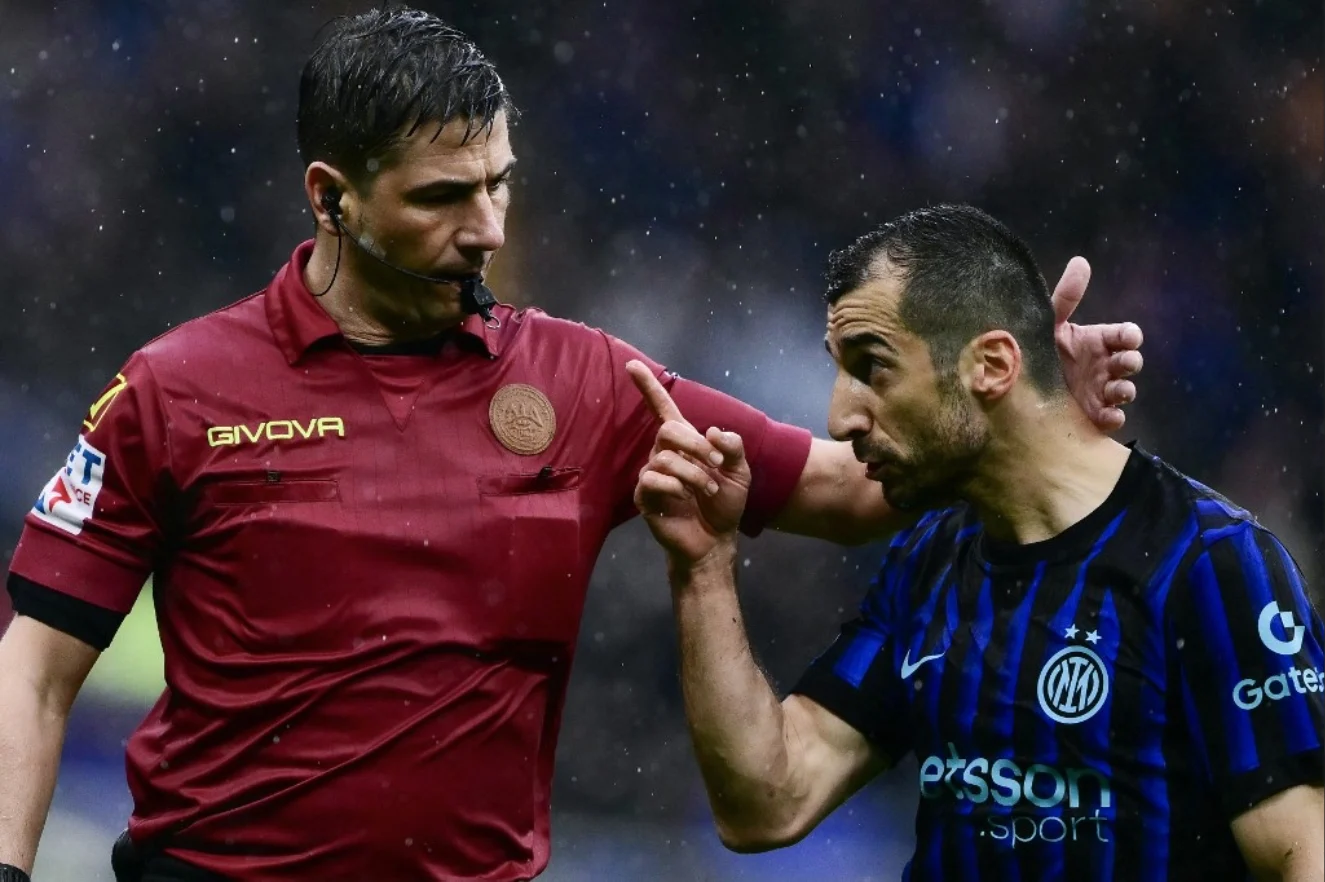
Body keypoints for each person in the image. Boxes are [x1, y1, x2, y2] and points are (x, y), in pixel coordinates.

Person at [0, 9, 1143, 882]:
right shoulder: (176, 390)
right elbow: (35, 670)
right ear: (330, 196)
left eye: (498, 185)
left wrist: (1018, 407)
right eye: (443, 197)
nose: (487, 229)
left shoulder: (587, 384)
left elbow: (852, 491)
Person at [629, 204, 1324, 882]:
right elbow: (765, 804)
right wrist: (703, 567)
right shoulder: (930, 559)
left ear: (991, 365)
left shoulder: (1210, 564)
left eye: (872, 368)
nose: (840, 417)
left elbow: (1304, 857)